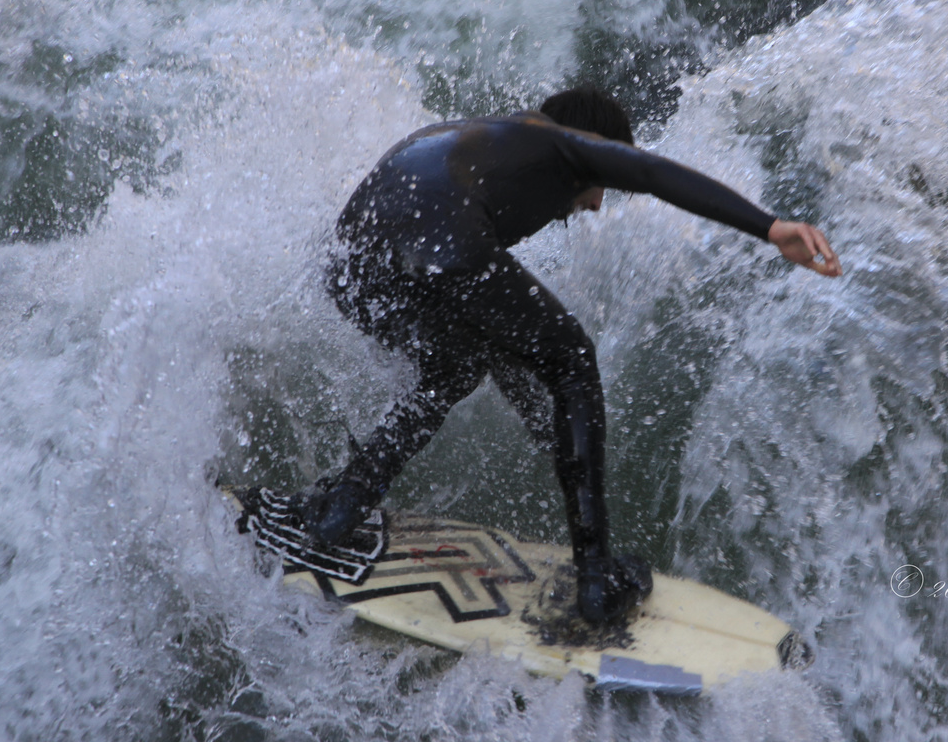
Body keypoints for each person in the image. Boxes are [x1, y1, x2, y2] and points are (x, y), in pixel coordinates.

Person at [304, 83, 842, 625]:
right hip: (436, 240)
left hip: (352, 268)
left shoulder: (484, 145)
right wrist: (771, 228)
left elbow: (501, 341)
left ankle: (347, 501)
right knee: (574, 358)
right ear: (596, 145)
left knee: (457, 365)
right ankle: (596, 581)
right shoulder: (561, 142)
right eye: (605, 183)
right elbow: (655, 173)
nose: (596, 203)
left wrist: (553, 429)